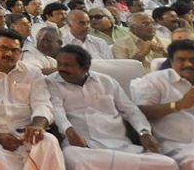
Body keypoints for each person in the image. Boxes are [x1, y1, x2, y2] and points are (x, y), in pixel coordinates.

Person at [47, 44, 177, 170]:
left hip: (120, 145)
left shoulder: (107, 81)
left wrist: (144, 132)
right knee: (74, 158)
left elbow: (130, 110)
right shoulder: (53, 82)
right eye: (59, 64)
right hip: (84, 147)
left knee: (169, 164)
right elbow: (57, 110)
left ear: (85, 68)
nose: (61, 69)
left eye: (68, 65)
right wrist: (69, 130)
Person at [0, 28, 65, 170]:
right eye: (3, 48)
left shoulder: (32, 73)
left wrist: (37, 126)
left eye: (15, 50)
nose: (8, 54)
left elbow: (42, 104)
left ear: (20, 52)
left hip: (26, 131)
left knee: (49, 141)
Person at [131, 39, 194, 169]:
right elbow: (141, 112)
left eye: (193, 60)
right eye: (181, 60)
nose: (188, 64)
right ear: (171, 62)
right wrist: (178, 105)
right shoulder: (155, 80)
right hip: (177, 145)